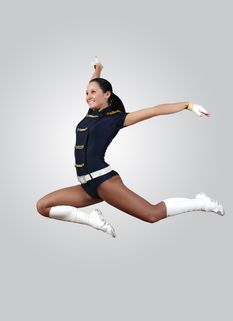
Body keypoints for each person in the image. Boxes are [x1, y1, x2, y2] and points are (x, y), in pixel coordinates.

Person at [36, 57, 225, 238]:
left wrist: (188, 105)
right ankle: (93, 220)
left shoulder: (116, 118)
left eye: (93, 93)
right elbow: (95, 82)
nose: (88, 96)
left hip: (104, 182)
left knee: (152, 214)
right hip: (87, 185)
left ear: (107, 94)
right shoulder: (91, 112)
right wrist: (98, 68)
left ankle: (201, 203)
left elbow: (154, 110)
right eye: (86, 93)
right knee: (43, 206)